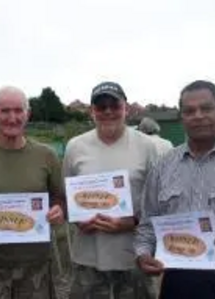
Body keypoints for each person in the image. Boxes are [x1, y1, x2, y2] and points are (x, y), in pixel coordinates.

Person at [135, 80, 215, 299]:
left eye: (207, 108)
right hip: (177, 282)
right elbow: (147, 223)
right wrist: (143, 253)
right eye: (189, 111)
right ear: (182, 117)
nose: (198, 115)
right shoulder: (163, 166)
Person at [0, 86, 65, 299]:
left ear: (28, 114)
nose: (12, 118)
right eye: (5, 111)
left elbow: (60, 199)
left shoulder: (47, 156)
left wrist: (59, 210)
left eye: (18, 110)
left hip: (36, 267)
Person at [63, 81, 158, 299]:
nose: (107, 111)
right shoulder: (75, 146)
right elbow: (67, 198)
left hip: (134, 256)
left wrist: (130, 222)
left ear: (126, 108)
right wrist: (77, 219)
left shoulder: (147, 146)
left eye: (114, 105)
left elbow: (157, 202)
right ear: (91, 111)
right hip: (88, 256)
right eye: (100, 106)